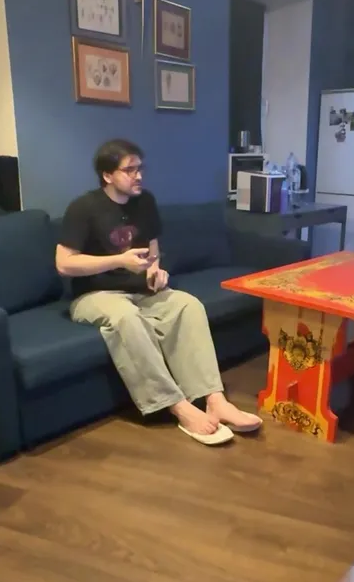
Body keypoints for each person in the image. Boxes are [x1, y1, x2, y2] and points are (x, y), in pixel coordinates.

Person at [55, 139, 262, 445]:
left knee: (187, 305)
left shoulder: (145, 202)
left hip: (143, 292)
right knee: (126, 318)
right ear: (107, 175)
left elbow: (152, 251)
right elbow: (64, 264)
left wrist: (155, 271)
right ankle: (178, 407)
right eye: (129, 170)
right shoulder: (83, 208)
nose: (138, 176)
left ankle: (215, 400)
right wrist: (119, 261)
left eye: (140, 168)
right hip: (93, 296)